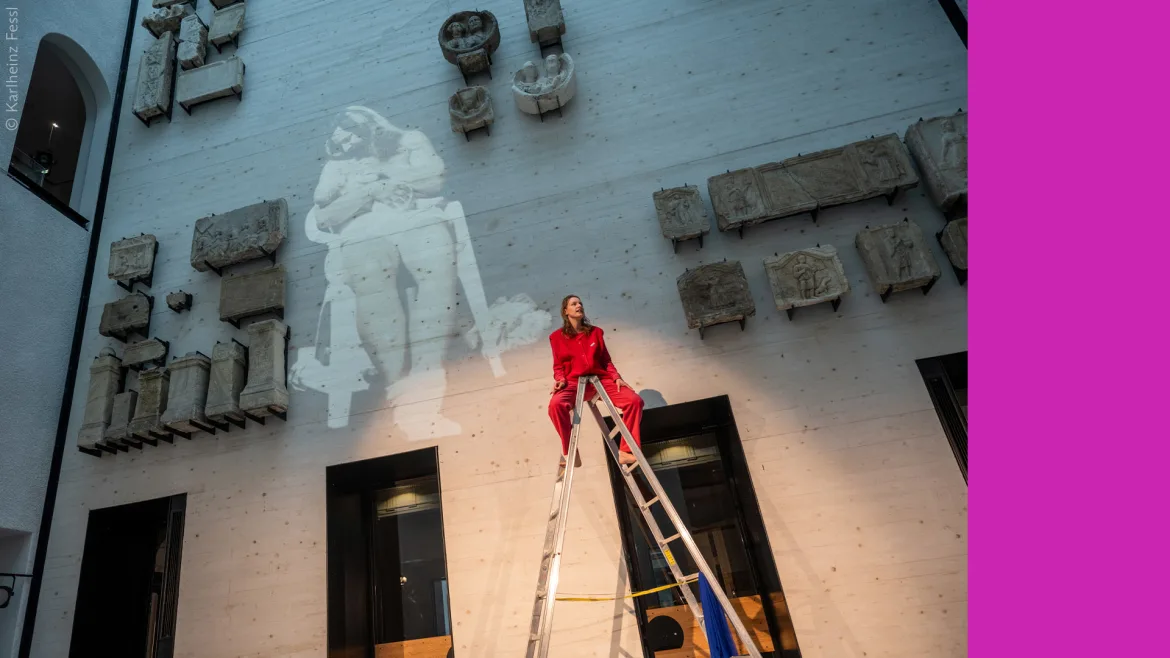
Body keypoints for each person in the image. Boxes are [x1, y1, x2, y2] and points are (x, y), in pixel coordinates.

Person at [548, 295, 645, 468]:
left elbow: (606, 361)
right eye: (574, 304)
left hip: (599, 380)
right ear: (566, 311)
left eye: (580, 303)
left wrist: (617, 378)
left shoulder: (596, 332)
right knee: (555, 405)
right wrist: (560, 380)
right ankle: (570, 451)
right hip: (573, 383)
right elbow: (558, 366)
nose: (579, 305)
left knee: (634, 401)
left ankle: (626, 451)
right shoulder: (556, 337)